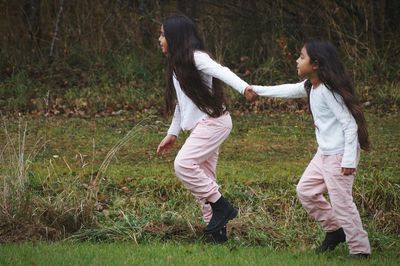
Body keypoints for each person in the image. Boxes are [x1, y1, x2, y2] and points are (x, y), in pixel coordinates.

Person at [249, 39, 371, 258]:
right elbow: (286, 90)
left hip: (340, 154)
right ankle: (335, 231)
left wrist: (349, 160)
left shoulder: (328, 91)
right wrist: (254, 90)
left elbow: (349, 124)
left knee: (343, 203)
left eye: (302, 57)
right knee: (305, 190)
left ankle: (360, 249)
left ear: (316, 64)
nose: (297, 60)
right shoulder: (310, 86)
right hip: (324, 153)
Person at [156, 14, 256, 242]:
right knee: (205, 180)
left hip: (214, 123)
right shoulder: (177, 65)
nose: (160, 39)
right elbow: (183, 104)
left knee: (183, 164)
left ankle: (223, 207)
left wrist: (244, 89)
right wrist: (172, 133)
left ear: (175, 36)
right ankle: (216, 233)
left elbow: (222, 71)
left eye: (163, 34)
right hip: (203, 126)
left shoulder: (197, 58)